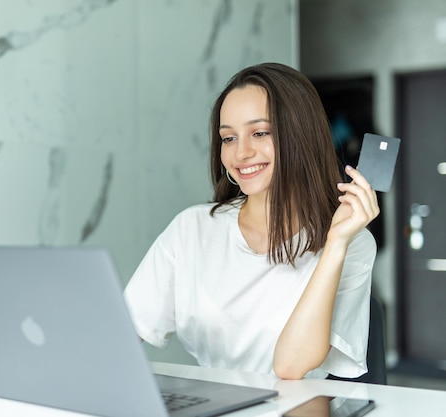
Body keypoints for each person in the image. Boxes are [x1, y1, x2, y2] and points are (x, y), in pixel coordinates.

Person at [123, 63, 379, 380]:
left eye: (259, 133)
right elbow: (121, 334)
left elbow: (290, 367)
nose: (241, 152)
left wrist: (336, 244)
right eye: (228, 138)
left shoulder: (352, 243)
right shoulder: (191, 228)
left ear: (300, 136)